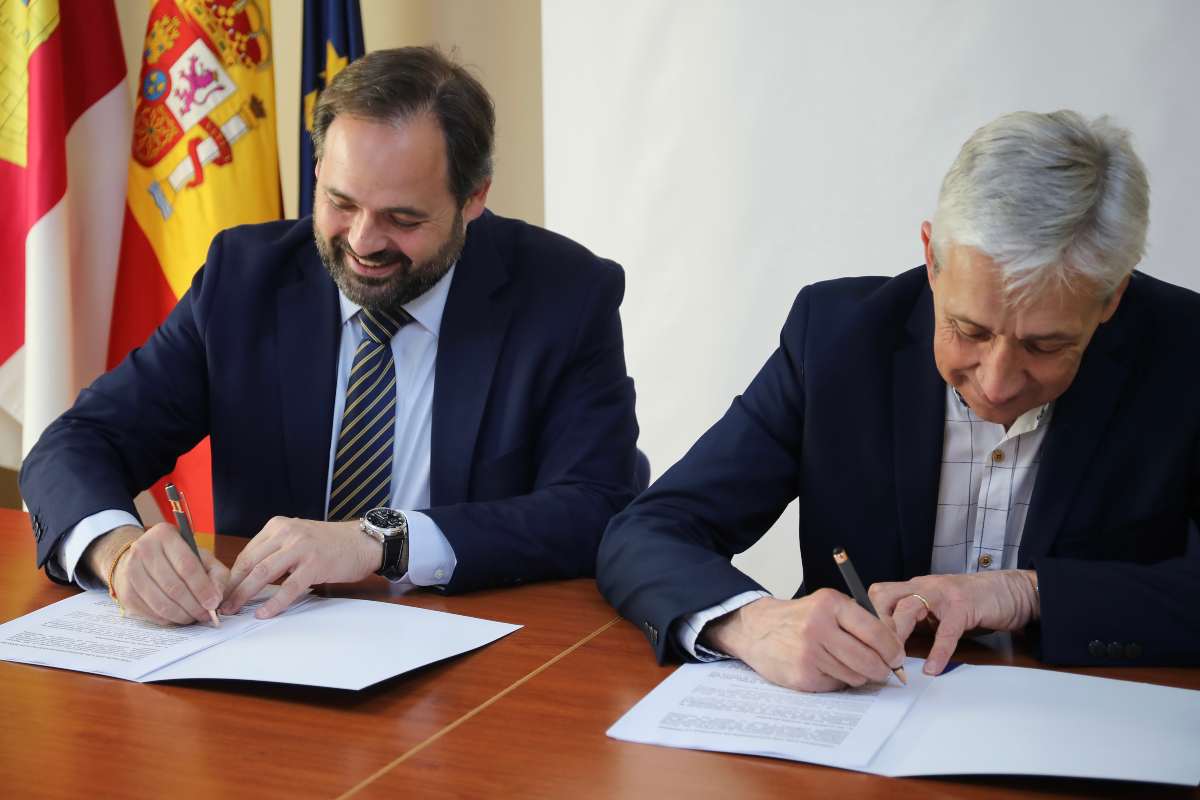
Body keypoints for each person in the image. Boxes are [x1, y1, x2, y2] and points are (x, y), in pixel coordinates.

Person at [20, 47, 640, 626]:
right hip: (265, 643)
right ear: (318, 171)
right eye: (341, 202)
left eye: (403, 218)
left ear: (473, 198)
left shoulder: (563, 296)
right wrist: (117, 550)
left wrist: (382, 540)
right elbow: (80, 441)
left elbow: (595, 505)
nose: (364, 241)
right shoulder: (245, 279)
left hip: (476, 653)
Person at [598, 110, 1200, 691]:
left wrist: (1028, 592)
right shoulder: (836, 338)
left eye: (1046, 345)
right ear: (931, 258)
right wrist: (749, 622)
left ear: (1111, 299)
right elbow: (648, 532)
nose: (997, 382)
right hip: (866, 725)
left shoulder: (1185, 352)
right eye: (969, 331)